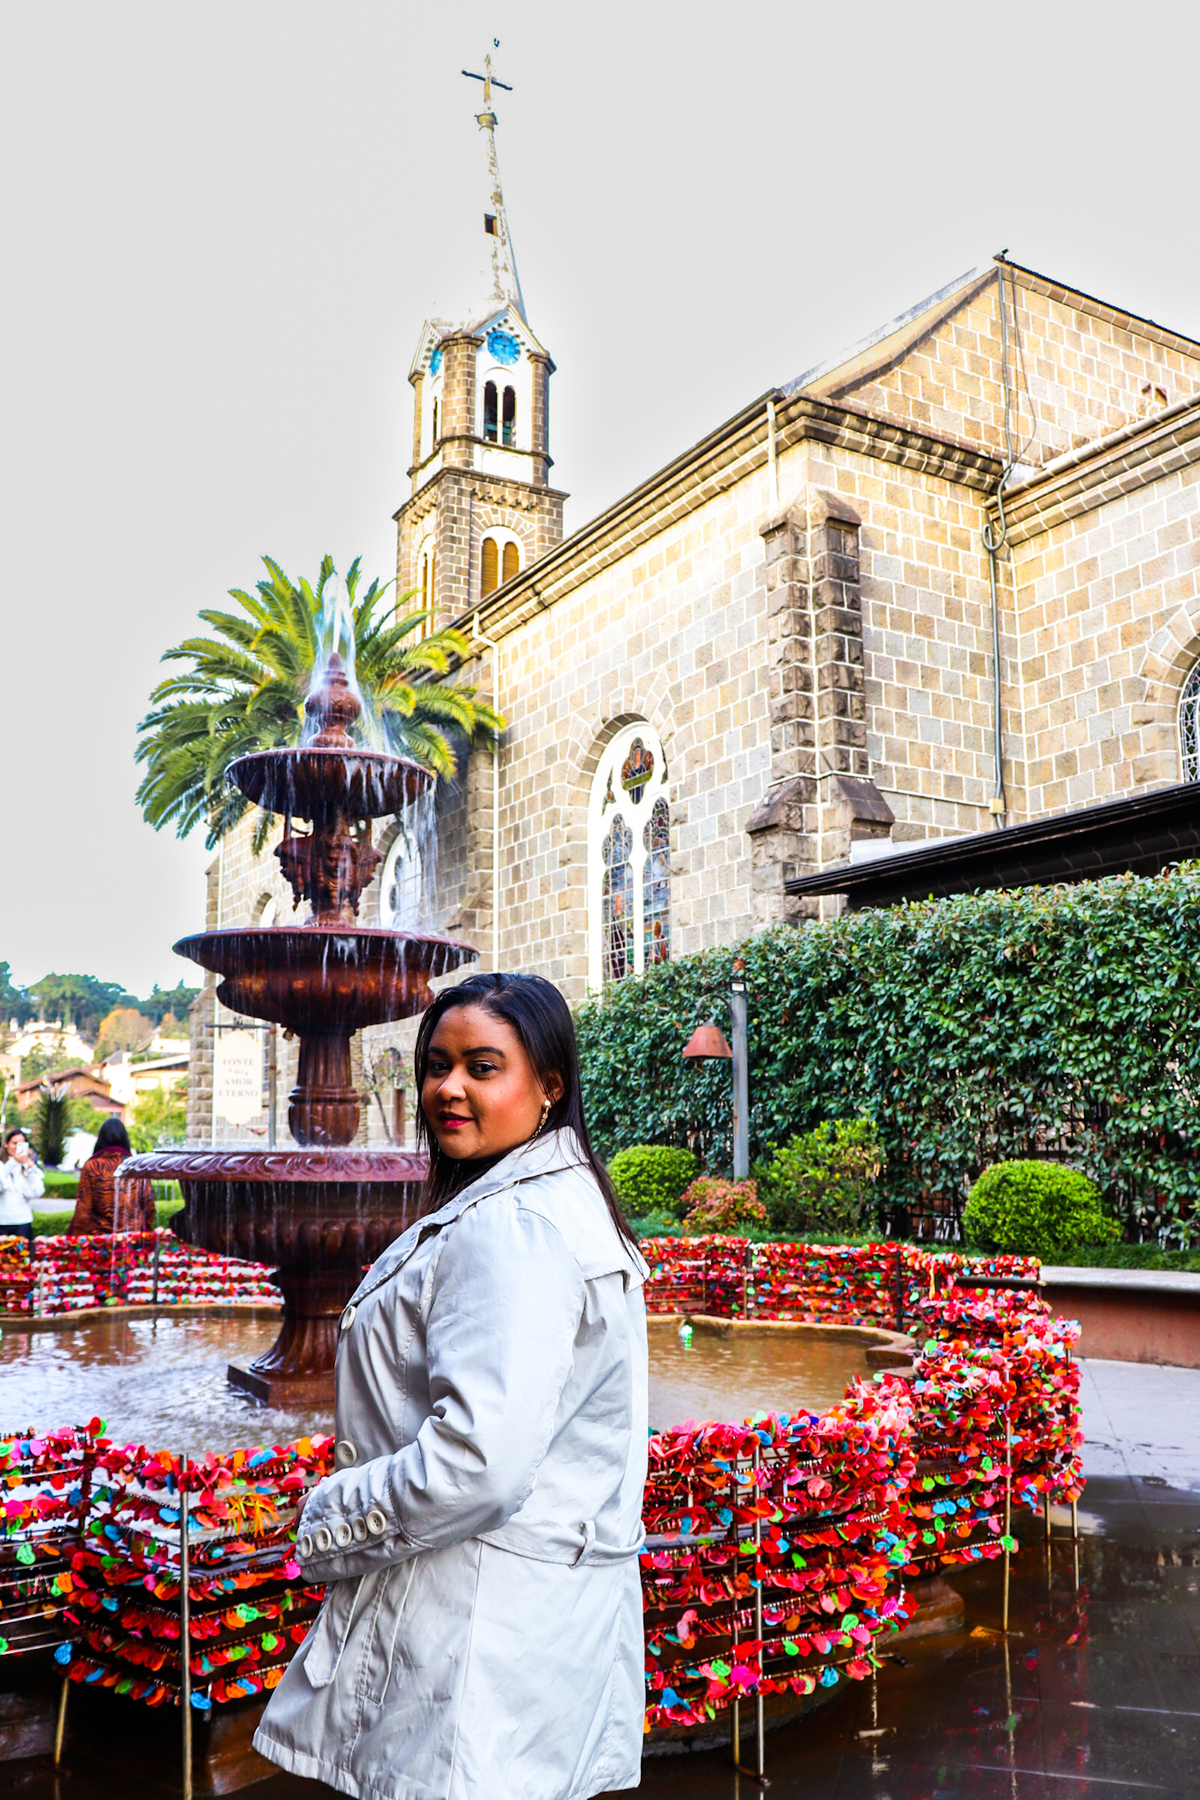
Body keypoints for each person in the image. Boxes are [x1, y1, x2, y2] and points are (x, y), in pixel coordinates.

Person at [255, 972, 649, 1800]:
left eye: (482, 1067)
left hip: (471, 1634)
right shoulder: (560, 1201)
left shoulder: (514, 1227)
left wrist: (327, 1515)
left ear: (549, 1085)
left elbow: (478, 1465)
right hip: (530, 1626)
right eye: (437, 1065)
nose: (449, 1089)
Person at [67, 1116, 155, 1234]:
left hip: (100, 1239)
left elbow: (83, 1209)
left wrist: (76, 1238)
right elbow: (148, 1206)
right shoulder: (137, 1167)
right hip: (132, 1237)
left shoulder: (92, 1167)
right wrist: (146, 1232)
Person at [0, 1126, 45, 1242]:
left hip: (23, 1222)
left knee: (23, 1252)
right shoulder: (2, 1165)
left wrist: (30, 1169)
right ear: (6, 1144)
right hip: (2, 1222)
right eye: (14, 1143)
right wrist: (13, 1162)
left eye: (21, 1144)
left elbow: (36, 1192)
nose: (17, 1147)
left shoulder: (28, 1166)